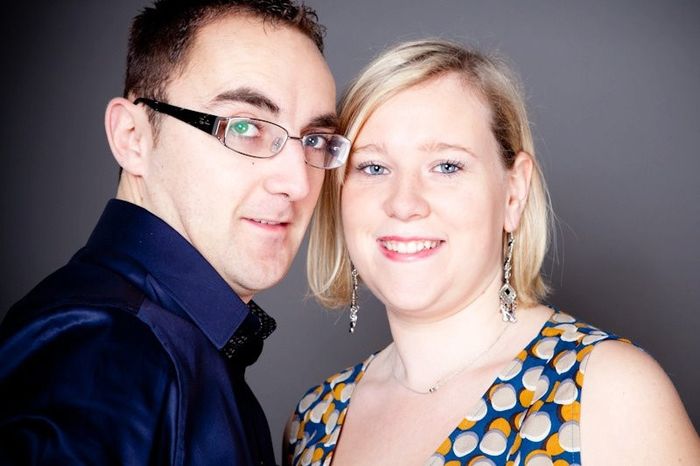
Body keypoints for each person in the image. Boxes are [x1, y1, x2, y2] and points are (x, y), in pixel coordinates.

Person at [285, 39, 700, 465]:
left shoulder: (608, 391)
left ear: (513, 192)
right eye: (373, 167)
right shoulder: (314, 421)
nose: (404, 203)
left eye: (446, 166)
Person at [0, 0, 350, 464]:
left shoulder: (172, 341)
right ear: (133, 137)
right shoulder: (105, 348)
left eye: (315, 140)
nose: (298, 183)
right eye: (244, 126)